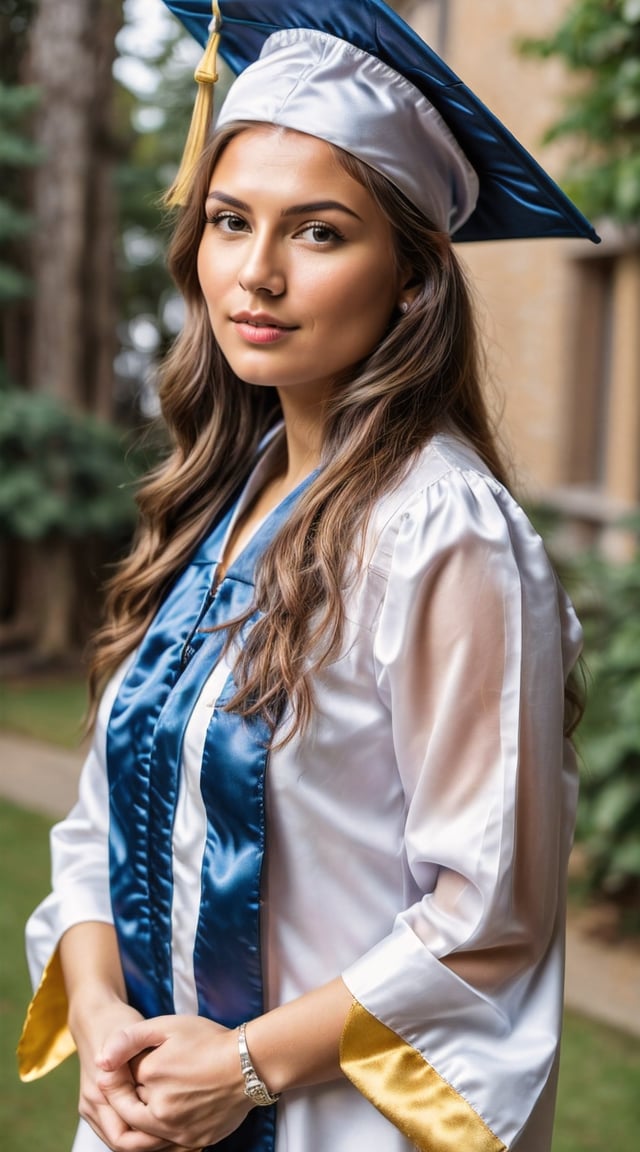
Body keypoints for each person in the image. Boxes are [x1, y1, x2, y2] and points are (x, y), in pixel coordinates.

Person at [19, 3, 598, 1151]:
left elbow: (485, 911)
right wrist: (100, 1015)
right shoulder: (224, 503)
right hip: (155, 1103)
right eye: (231, 221)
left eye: (320, 233)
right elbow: (102, 822)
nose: (257, 273)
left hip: (325, 1118)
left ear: (414, 279)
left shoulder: (442, 532)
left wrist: (239, 1068)